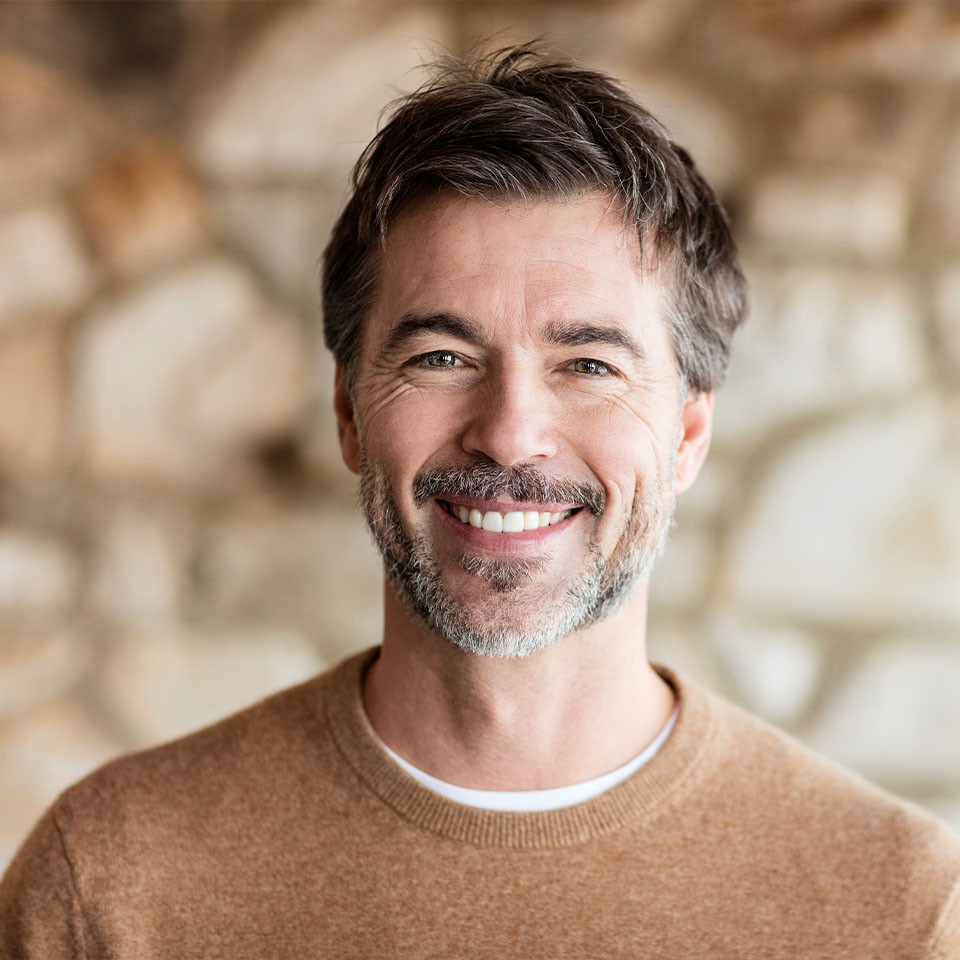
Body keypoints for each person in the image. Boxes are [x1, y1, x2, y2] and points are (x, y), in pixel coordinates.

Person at [2, 45, 959, 959]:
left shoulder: (903, 909)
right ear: (347, 411)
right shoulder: (112, 881)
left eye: (588, 364)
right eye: (442, 358)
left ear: (687, 437)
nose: (509, 432)